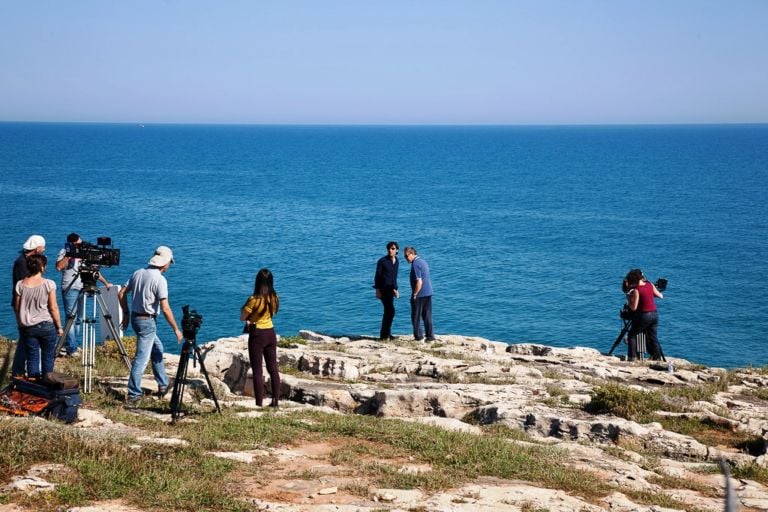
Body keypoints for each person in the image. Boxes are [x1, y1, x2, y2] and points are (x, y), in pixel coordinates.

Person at [118, 246, 183, 405]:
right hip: (147, 321)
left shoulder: (138, 273)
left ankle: (163, 384)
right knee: (141, 358)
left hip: (135, 318)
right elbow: (166, 308)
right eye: (169, 263)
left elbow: (121, 293)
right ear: (165, 263)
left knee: (157, 349)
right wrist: (176, 329)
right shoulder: (160, 280)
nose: (169, 266)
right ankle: (134, 395)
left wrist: (126, 314)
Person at [55, 232, 112, 357]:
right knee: (71, 317)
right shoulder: (65, 251)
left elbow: (93, 271)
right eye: (77, 244)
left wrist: (106, 283)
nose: (80, 246)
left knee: (79, 319)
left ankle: (70, 344)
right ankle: (72, 348)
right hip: (70, 287)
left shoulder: (85, 252)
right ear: (72, 243)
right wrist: (70, 254)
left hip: (83, 287)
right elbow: (59, 267)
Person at [13, 253, 63, 379]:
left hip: (28, 327)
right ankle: (47, 382)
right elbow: (53, 308)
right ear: (42, 267)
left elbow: (18, 308)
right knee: (48, 356)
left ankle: (33, 385)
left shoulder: (20, 285)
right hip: (46, 325)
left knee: (32, 356)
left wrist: (20, 324)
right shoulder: (48, 284)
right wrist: (59, 326)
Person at [240, 268, 281, 408]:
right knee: (273, 368)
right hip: (271, 332)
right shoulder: (274, 297)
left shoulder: (254, 300)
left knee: (257, 370)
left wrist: (249, 320)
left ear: (257, 281)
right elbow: (273, 313)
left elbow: (242, 317)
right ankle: (275, 401)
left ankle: (259, 403)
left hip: (257, 335)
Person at [10, 235, 46, 376]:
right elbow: (24, 285)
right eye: (42, 247)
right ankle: (20, 370)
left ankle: (20, 369)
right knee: (26, 337)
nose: (43, 250)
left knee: (26, 337)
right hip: (23, 306)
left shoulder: (25, 260)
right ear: (37, 248)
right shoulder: (22, 263)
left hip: (26, 305)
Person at [624, 268, 664, 361]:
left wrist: (629, 298)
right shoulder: (650, 284)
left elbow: (634, 308)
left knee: (632, 335)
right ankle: (656, 357)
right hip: (654, 314)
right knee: (653, 336)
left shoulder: (637, 290)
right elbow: (660, 296)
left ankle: (632, 357)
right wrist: (649, 294)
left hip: (644, 315)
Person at [404, 246, 435, 342]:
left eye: (406, 256)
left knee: (416, 316)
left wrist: (415, 294)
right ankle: (430, 337)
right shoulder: (423, 261)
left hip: (420, 294)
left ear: (412, 254)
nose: (405, 258)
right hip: (428, 292)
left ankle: (419, 337)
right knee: (427, 316)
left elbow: (419, 281)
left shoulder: (415, 264)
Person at [373, 241, 400, 340]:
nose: (390, 250)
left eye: (392, 248)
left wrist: (395, 289)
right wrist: (377, 290)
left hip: (391, 290)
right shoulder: (382, 261)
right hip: (383, 290)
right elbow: (378, 276)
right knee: (390, 311)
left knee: (389, 311)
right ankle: (384, 335)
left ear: (397, 250)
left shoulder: (396, 261)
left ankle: (387, 334)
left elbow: (394, 277)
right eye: (389, 248)